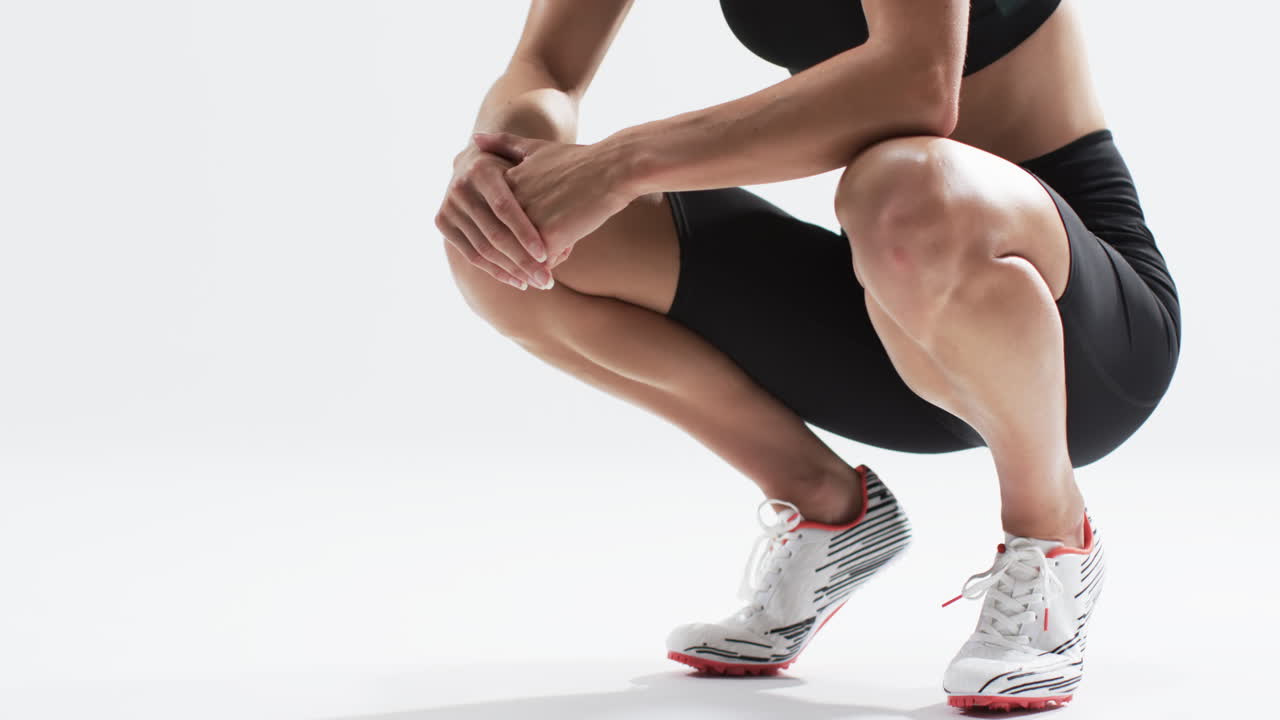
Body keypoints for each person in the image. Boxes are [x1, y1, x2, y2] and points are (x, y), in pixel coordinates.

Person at [436, 0, 1180, 710]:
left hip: (1076, 332)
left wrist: (622, 161)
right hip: (895, 309)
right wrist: (492, 167)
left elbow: (915, 84)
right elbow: (546, 68)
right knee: (502, 249)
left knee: (908, 181)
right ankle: (834, 515)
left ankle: (1052, 539)